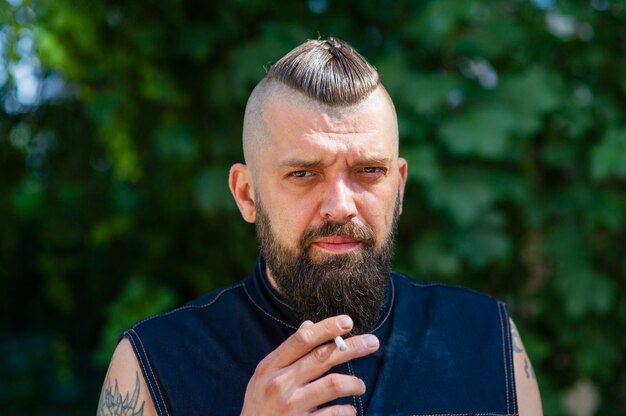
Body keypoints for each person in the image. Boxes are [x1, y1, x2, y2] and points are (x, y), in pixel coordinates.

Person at [97, 38, 542, 416]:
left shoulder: (489, 341)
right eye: (304, 174)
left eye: (369, 170)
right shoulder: (154, 364)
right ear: (247, 194)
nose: (340, 206)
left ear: (400, 187)